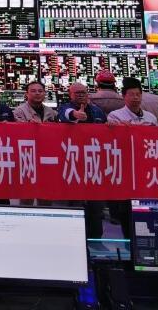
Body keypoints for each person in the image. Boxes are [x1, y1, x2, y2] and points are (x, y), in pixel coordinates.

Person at [108, 78, 157, 238]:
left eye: (138, 94)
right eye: (131, 94)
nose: (135, 97)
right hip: (126, 167)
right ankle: (129, 239)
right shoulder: (115, 116)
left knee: (147, 207)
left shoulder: (150, 117)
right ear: (124, 96)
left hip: (146, 165)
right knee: (127, 209)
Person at [57, 82, 106, 239]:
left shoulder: (97, 111)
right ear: (70, 95)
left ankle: (96, 239)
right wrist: (75, 115)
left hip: (95, 163)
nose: (80, 95)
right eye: (77, 93)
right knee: (76, 204)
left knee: (96, 205)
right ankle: (75, 237)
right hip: (74, 164)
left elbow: (106, 128)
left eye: (83, 92)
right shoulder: (65, 108)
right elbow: (65, 114)